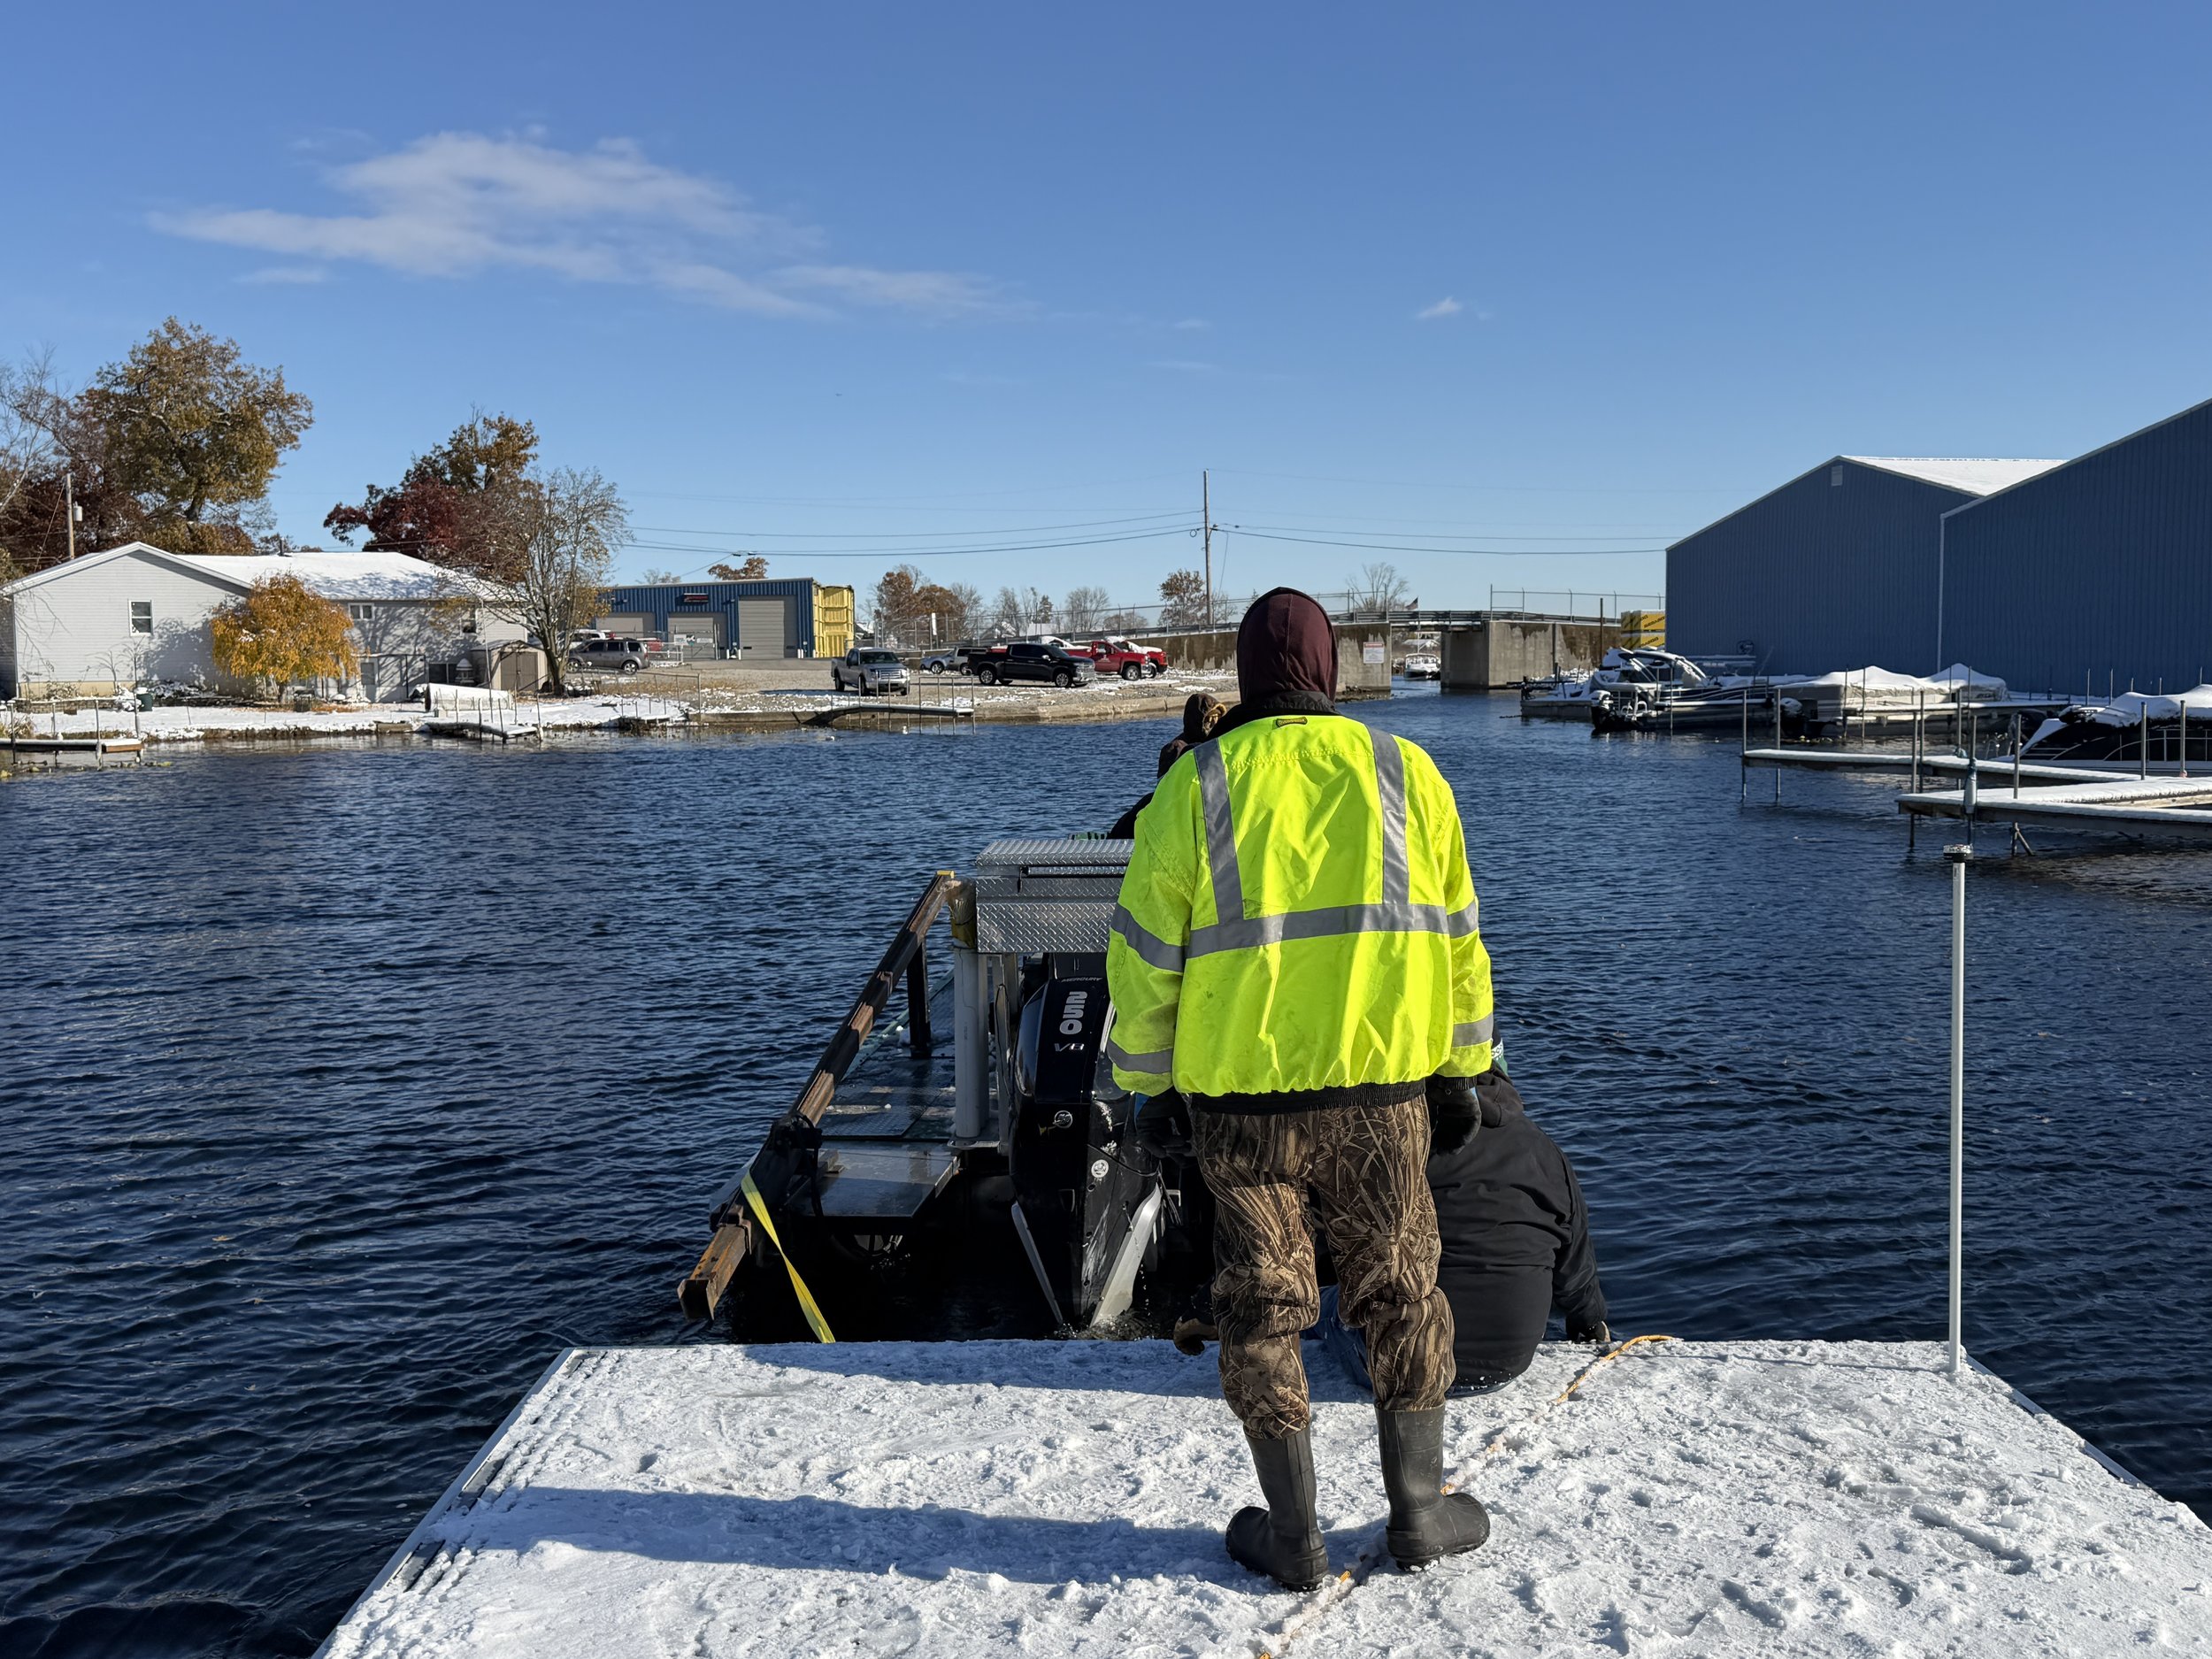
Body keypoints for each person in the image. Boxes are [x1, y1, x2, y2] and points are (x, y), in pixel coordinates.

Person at [1106, 588, 1495, 1589]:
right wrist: (1463, 1071)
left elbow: (1143, 959)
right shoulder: (1408, 772)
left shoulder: (1195, 787)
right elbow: (1458, 940)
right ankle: (1419, 1512)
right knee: (1402, 1291)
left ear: (1245, 675)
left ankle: (1294, 1537)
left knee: (1262, 1306)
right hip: (1383, 1100)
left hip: (1243, 1112)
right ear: (1329, 669)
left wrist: (1148, 1086)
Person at [1328, 1066, 1609, 1393]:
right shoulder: (1544, 1149)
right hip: (1508, 1361)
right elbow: (1574, 1267)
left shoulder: (1395, 1139)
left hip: (1406, 1364)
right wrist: (1589, 1320)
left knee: (1324, 1301)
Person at [1106, 692, 1226, 839]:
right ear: (1198, 720)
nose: (1214, 724)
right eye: (1210, 719)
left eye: (1218, 718)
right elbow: (1167, 792)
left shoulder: (1220, 747)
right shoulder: (1177, 749)